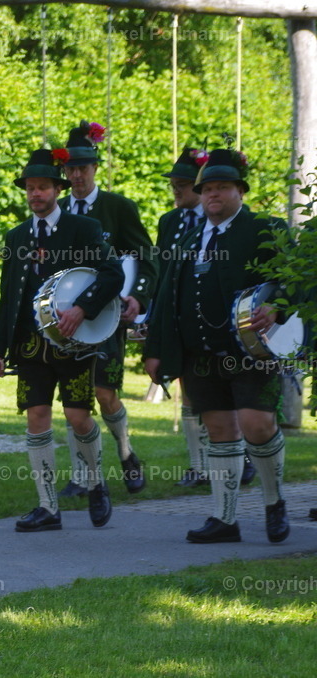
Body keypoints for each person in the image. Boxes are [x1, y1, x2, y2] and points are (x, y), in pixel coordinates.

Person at [144, 148, 290, 544]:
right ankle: (225, 519)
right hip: (200, 354)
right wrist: (155, 350)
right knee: (220, 429)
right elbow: (166, 297)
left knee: (257, 424)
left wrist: (276, 306)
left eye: (222, 187)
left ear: (240, 191)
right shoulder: (188, 239)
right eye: (207, 189)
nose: (213, 195)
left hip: (254, 351)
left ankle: (275, 502)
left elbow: (292, 279)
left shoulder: (266, 228)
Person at [0, 148, 123, 532]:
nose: (36, 194)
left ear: (58, 190)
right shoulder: (16, 236)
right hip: (30, 346)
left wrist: (82, 308)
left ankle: (95, 482)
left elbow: (112, 274)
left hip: (75, 343)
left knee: (78, 418)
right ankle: (48, 506)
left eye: (43, 187)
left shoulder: (84, 228)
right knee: (37, 418)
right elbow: (9, 296)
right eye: (30, 188)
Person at [58, 121, 157, 498]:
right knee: (74, 399)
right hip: (65, 320)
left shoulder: (119, 208)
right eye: (70, 169)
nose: (77, 175)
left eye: (83, 168)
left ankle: (127, 453)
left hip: (108, 316)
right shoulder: (56, 209)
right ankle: (82, 476)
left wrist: (139, 298)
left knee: (104, 393)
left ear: (95, 167)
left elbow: (147, 258)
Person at [155, 147, 211, 488]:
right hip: (181, 319)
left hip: (215, 320)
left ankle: (240, 457)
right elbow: (162, 272)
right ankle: (198, 465)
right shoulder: (169, 221)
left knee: (226, 395)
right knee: (187, 388)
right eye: (173, 184)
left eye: (183, 184)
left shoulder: (216, 218)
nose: (176, 190)